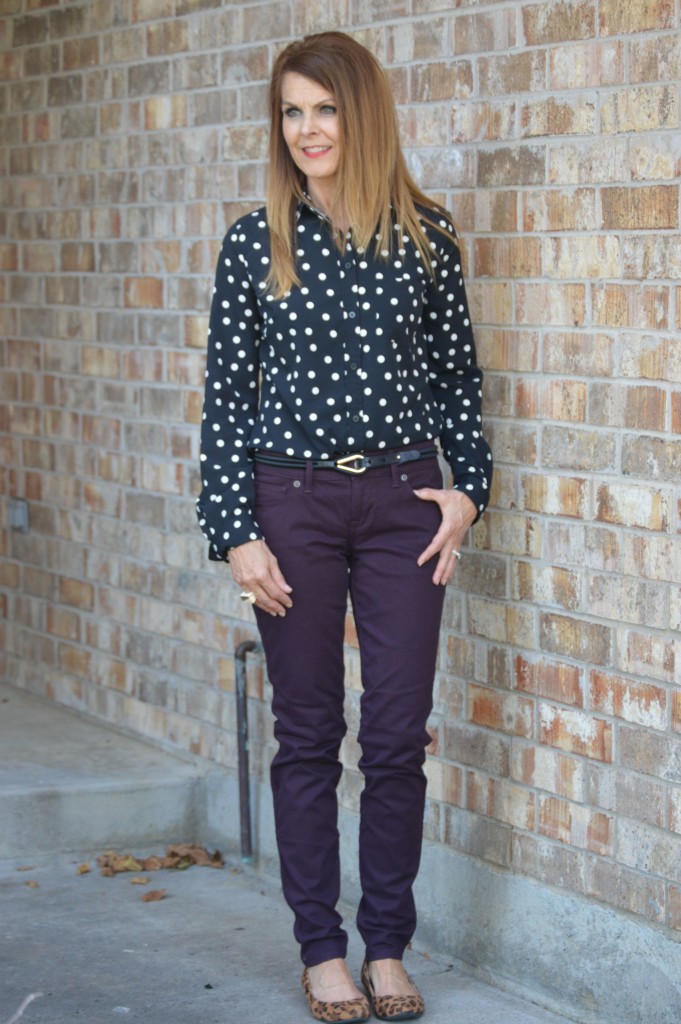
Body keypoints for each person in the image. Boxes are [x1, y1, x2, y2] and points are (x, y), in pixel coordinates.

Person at [196, 30, 492, 1024]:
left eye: (324, 108)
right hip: (295, 504)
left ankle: (389, 945)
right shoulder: (256, 239)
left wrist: (470, 490)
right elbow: (226, 402)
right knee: (309, 730)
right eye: (291, 110)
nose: (307, 129)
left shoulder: (427, 236)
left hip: (404, 502)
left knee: (398, 733)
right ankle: (322, 947)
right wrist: (236, 531)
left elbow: (456, 379)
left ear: (360, 114)